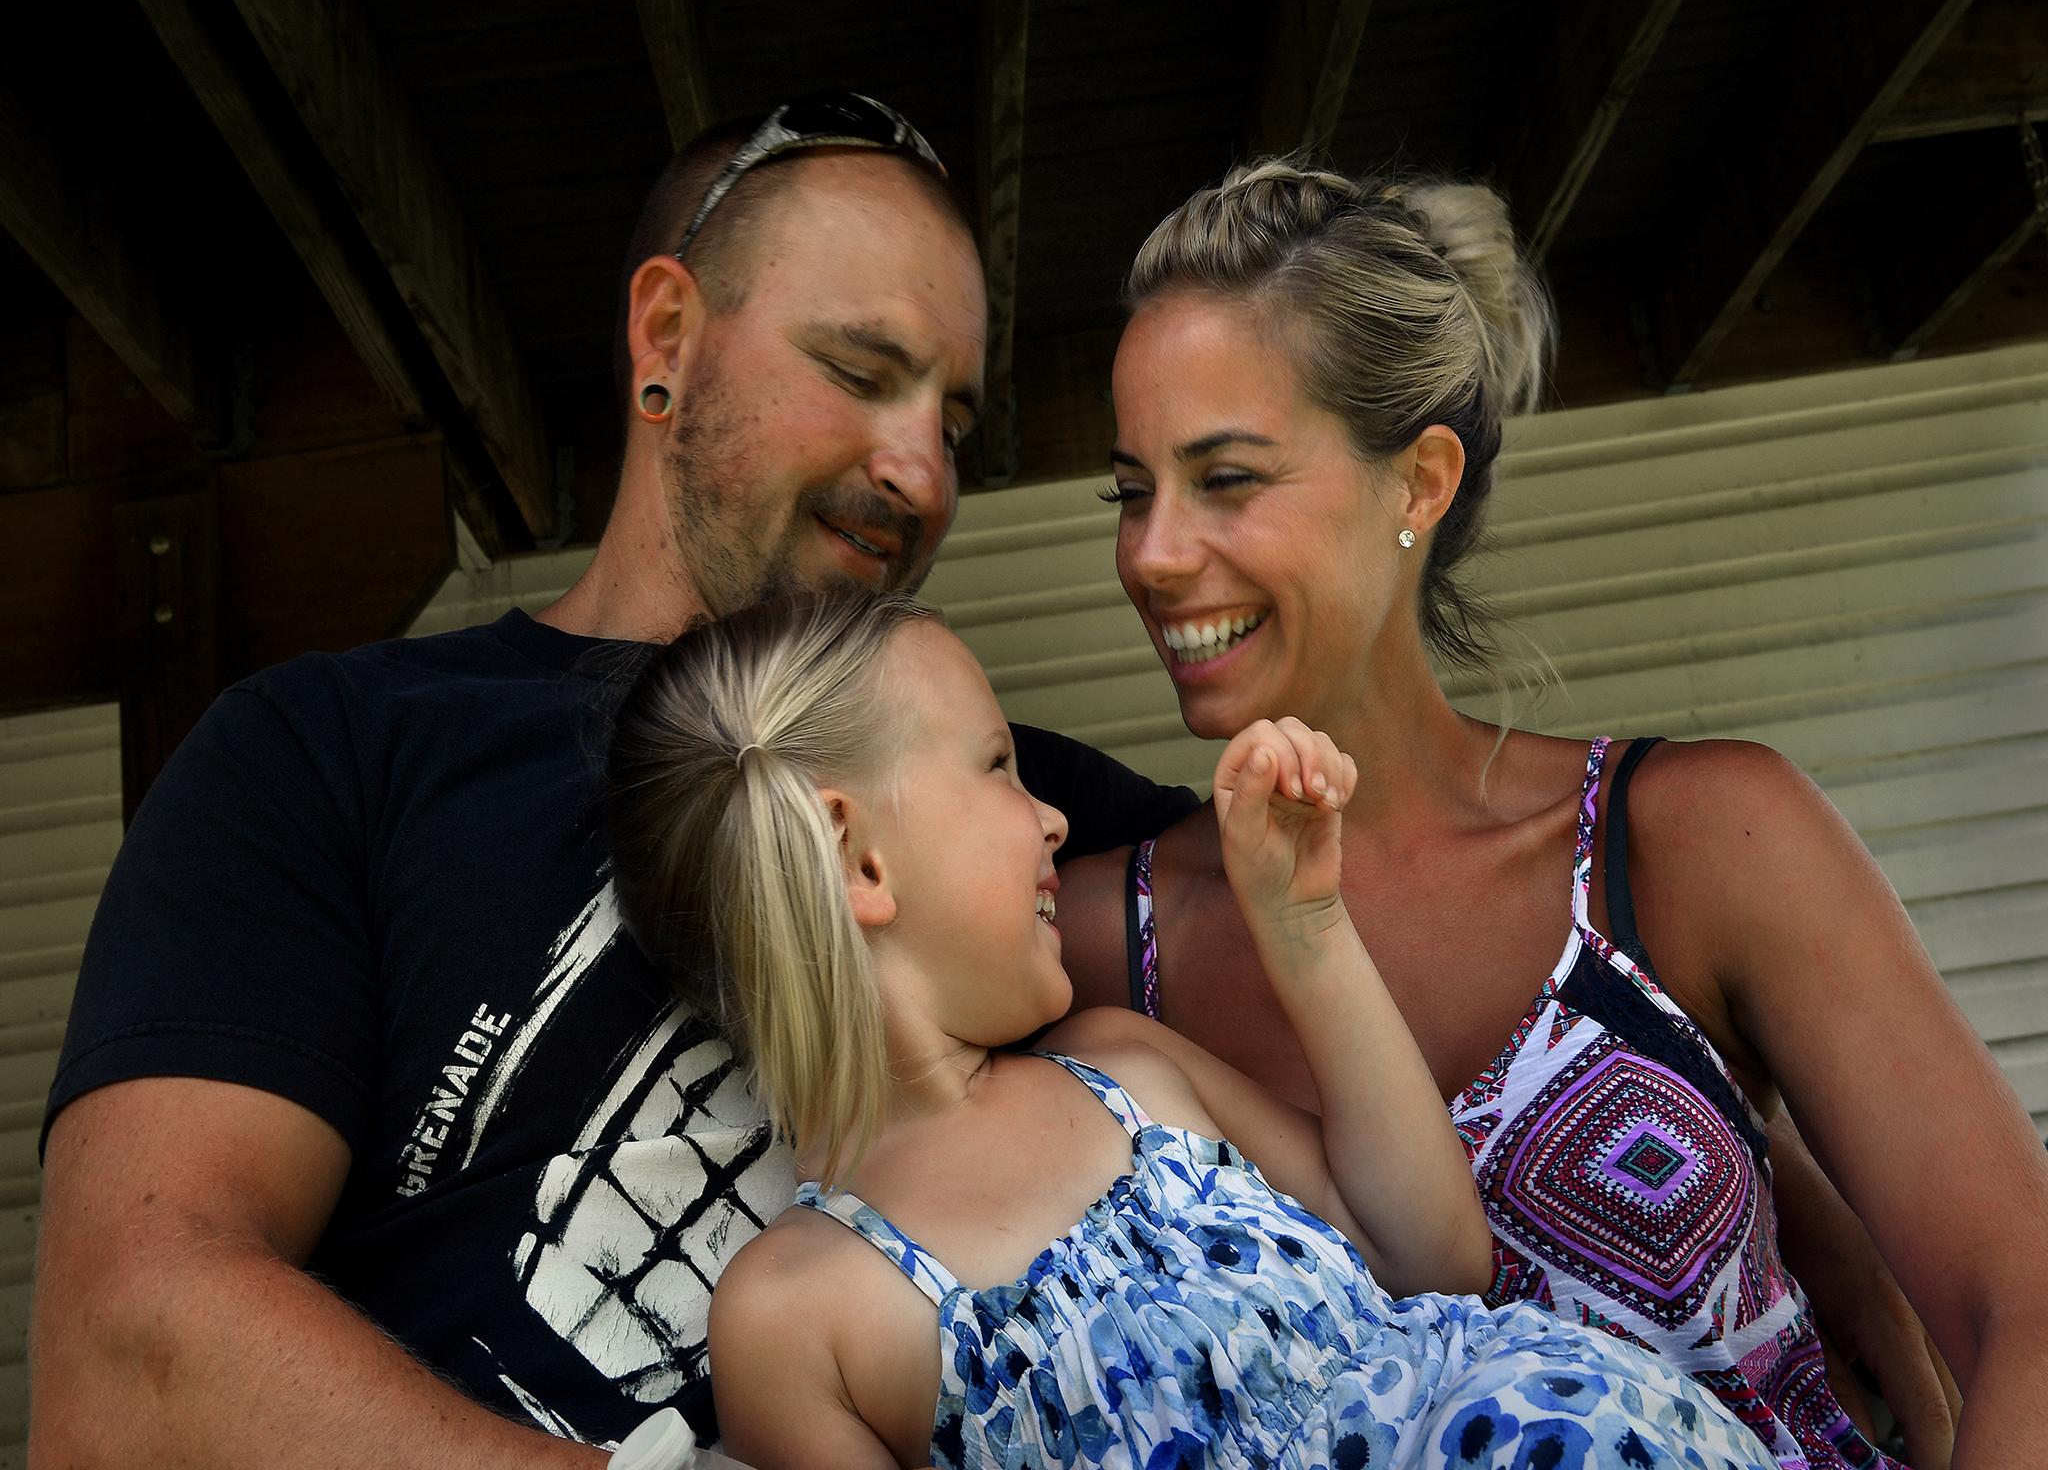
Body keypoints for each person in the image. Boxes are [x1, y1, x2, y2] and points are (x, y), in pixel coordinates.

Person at [29, 94, 1192, 1466]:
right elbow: (130, 1354)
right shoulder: (329, 750)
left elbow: (1372, 924)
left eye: (954, 418)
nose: (919, 471)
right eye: (862, 370)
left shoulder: (1011, 803)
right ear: (667, 338)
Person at [1051, 158, 2048, 1470]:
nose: (1154, 553)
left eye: (1225, 478)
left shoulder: (1694, 842)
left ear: (1418, 483)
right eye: (1132, 490)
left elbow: (2021, 1310)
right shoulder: (1081, 944)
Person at [602, 588, 1783, 1470]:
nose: (1052, 817)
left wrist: (1305, 925)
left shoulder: (1118, 1065)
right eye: (999, 768)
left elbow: (1435, 1258)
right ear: (860, 858)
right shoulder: (793, 1316)